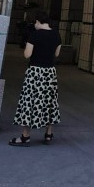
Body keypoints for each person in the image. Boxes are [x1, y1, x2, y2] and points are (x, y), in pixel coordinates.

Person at [9, 10, 62, 146]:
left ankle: (25, 137)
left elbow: (27, 54)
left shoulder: (35, 35)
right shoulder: (56, 34)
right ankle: (48, 135)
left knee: (29, 102)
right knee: (49, 102)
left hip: (35, 72)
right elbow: (56, 54)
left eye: (35, 23)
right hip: (50, 73)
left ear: (38, 22)